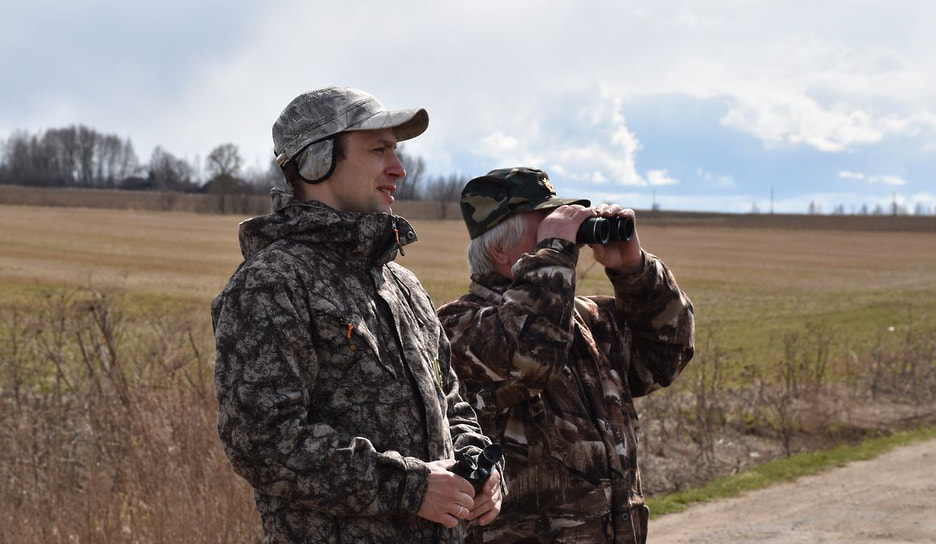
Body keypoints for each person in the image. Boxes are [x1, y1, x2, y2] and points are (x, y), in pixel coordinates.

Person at [212, 86, 502, 544]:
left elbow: (451, 402)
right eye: (379, 150)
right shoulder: (272, 282)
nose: (399, 168)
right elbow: (263, 441)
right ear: (317, 161)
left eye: (396, 151)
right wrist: (411, 488)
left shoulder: (402, 285)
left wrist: (481, 467)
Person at [436, 167, 695, 544]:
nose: (570, 244)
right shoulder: (458, 328)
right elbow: (529, 355)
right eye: (545, 232)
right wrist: (554, 252)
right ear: (499, 250)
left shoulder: (587, 320)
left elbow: (667, 355)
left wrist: (634, 270)